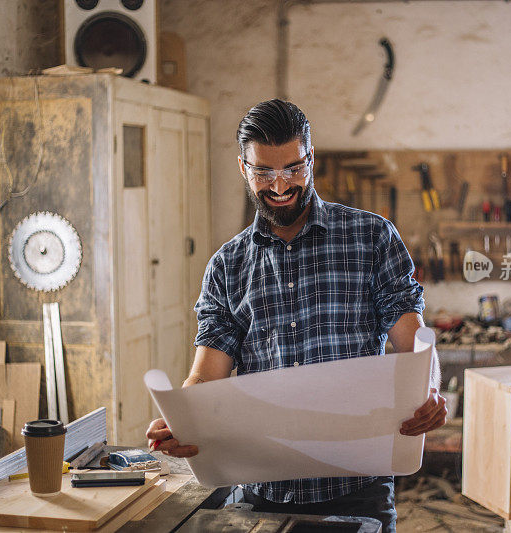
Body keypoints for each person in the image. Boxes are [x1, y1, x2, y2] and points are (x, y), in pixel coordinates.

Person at [146, 99, 446, 531]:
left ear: (311, 158)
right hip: (261, 494)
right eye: (264, 171)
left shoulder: (371, 238)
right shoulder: (227, 266)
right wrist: (182, 420)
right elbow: (206, 376)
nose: (280, 184)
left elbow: (414, 340)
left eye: (293, 168)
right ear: (242, 168)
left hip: (358, 489)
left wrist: (430, 389)